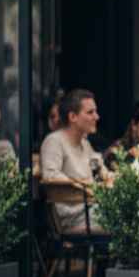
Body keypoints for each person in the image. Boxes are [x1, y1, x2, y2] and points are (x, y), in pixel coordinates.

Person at [40, 89, 107, 230]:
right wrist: (85, 188)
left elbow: (100, 170)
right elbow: (51, 176)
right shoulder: (54, 141)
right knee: (124, 219)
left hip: (91, 209)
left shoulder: (85, 143)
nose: (97, 117)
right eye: (90, 112)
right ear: (73, 117)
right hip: (73, 216)